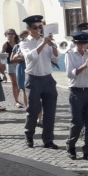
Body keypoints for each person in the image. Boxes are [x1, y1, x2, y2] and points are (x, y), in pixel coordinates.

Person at [20, 15, 60, 149]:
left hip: (48, 78)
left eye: (40, 27)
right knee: (33, 110)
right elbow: (30, 57)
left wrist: (53, 46)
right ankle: (29, 135)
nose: (38, 30)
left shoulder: (46, 41)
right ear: (29, 29)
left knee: (50, 112)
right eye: (35, 27)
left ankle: (48, 139)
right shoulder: (24, 42)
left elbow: (55, 59)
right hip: (33, 78)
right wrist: (43, 44)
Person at [65, 31, 88, 161]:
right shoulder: (70, 55)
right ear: (75, 43)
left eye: (85, 43)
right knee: (77, 121)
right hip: (76, 91)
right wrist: (84, 65)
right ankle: (71, 145)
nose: (83, 45)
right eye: (80, 43)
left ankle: (87, 150)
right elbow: (70, 74)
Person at [10, 30, 29, 108]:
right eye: (23, 37)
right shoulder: (17, 46)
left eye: (26, 36)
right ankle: (27, 107)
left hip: (30, 67)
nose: (25, 38)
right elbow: (11, 59)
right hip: (21, 67)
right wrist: (22, 59)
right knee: (24, 88)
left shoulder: (32, 46)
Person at [3, 29, 22, 107]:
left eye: (12, 34)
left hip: (19, 64)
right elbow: (2, 55)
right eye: (8, 34)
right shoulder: (5, 44)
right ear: (6, 35)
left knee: (20, 82)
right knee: (14, 83)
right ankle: (16, 101)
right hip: (10, 65)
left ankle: (19, 99)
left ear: (14, 35)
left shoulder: (18, 44)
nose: (10, 35)